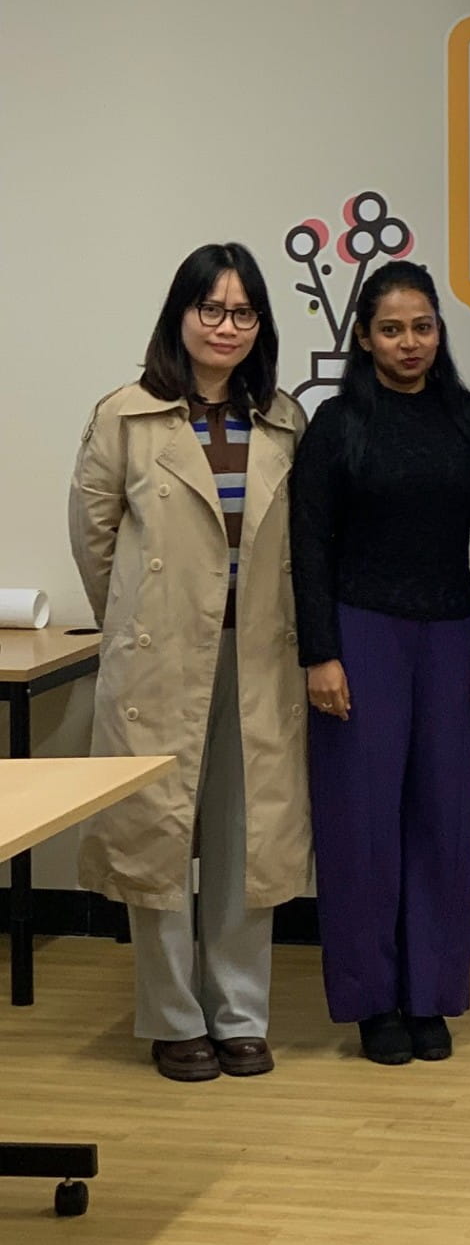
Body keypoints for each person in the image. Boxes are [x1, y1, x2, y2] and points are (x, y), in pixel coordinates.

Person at [69, 243, 308, 1084]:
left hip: (258, 657)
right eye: (212, 309)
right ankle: (173, 1017)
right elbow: (96, 543)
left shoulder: (282, 419)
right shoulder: (125, 417)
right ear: (181, 315)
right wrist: (140, 625)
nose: (227, 326)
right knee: (158, 840)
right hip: (160, 659)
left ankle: (240, 1014)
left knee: (249, 842)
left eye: (244, 312)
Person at [290, 261, 470, 1067]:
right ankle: (372, 1001)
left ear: (439, 333)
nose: (409, 342)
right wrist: (319, 653)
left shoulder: (468, 418)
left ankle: (431, 997)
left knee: (442, 824)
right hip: (358, 637)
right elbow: (306, 549)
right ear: (363, 337)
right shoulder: (336, 423)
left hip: (452, 637)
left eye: (423, 326)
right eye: (392, 329)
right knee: (361, 828)